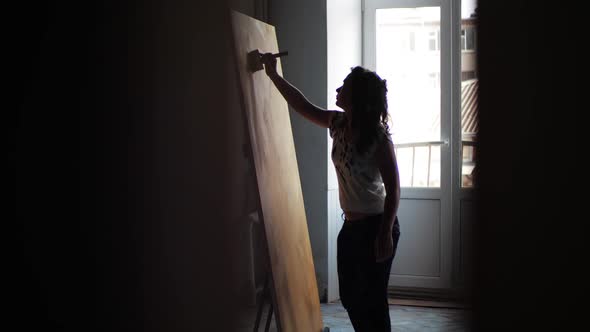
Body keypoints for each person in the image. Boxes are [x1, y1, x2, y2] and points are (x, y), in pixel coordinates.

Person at [260, 53, 401, 332]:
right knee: (350, 296)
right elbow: (301, 105)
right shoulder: (337, 124)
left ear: (357, 96)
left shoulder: (379, 139)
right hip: (350, 227)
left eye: (344, 86)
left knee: (372, 300)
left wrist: (385, 232)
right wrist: (273, 75)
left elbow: (394, 189)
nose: (338, 90)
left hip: (376, 226)